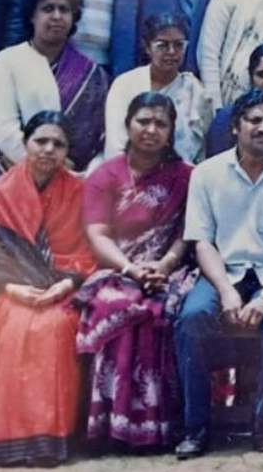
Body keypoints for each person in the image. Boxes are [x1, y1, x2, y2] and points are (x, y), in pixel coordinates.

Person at [175, 88, 263, 458]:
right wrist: (225, 290)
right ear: (236, 126)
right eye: (255, 120)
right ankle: (195, 428)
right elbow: (202, 243)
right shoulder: (207, 174)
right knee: (191, 317)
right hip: (223, 271)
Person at [73, 93, 196, 449]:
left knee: (164, 307)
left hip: (169, 269)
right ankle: (112, 426)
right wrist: (130, 268)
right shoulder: (105, 174)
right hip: (117, 267)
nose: (151, 130)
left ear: (171, 131)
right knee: (116, 304)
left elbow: (187, 234)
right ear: (127, 125)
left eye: (161, 123)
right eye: (143, 121)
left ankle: (157, 426)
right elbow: (97, 235)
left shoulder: (186, 176)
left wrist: (164, 264)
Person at [0, 111, 97, 466]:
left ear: (67, 151)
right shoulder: (0, 192)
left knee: (55, 327)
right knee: (16, 327)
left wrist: (65, 283)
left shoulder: (79, 191)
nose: (48, 149)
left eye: (58, 144)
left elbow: (88, 250)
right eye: (40, 141)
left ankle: (51, 440)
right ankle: (12, 442)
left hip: (65, 286)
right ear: (25, 144)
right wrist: (14, 289)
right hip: (11, 288)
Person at [0, 0, 111, 178]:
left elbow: (101, 140)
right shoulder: (5, 62)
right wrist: (51, 165)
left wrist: (72, 175)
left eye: (64, 9)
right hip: (16, 176)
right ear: (32, 16)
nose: (57, 16)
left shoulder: (93, 73)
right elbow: (4, 132)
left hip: (74, 180)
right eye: (48, 8)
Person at [106, 13, 210, 164]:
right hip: (128, 172)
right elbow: (116, 144)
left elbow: (200, 151)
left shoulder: (196, 92)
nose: (172, 52)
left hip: (179, 174)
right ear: (148, 47)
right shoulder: (125, 84)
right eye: (162, 45)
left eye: (178, 45)